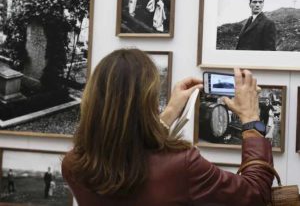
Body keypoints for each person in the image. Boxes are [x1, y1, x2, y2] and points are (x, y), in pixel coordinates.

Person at [62, 48, 273, 206]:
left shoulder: (73, 165)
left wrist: (171, 111)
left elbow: (127, 145)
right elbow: (255, 194)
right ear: (148, 102)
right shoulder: (182, 165)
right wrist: (251, 119)